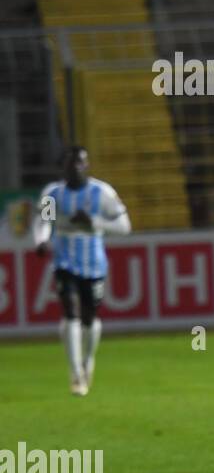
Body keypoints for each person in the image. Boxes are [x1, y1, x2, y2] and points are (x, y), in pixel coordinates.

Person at [33, 146, 131, 395]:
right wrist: (41, 241)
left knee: (89, 318)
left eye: (81, 163)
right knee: (70, 312)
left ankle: (88, 361)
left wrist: (94, 222)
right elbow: (44, 222)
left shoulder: (102, 193)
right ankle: (76, 372)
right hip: (64, 261)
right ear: (63, 167)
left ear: (87, 165)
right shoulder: (53, 194)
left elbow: (124, 226)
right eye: (70, 164)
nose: (76, 168)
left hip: (94, 263)